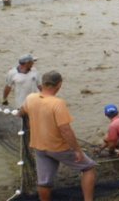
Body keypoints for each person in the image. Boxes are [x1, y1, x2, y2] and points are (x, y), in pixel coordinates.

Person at [19, 70, 96, 201]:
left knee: (44, 182)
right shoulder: (57, 103)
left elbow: (21, 112)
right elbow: (65, 130)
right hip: (58, 148)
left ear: (42, 84)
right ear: (59, 85)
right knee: (88, 167)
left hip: (39, 147)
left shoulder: (30, 98)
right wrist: (77, 150)